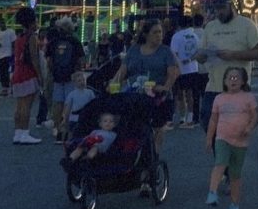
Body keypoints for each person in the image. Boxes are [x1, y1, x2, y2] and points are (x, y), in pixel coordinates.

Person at [195, 0, 258, 133]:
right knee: (209, 126)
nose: (219, 12)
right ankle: (219, 153)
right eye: (216, 8)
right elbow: (203, 51)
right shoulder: (210, 27)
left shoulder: (247, 25)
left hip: (237, 88)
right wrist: (201, 56)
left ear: (232, 6)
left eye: (223, 8)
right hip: (213, 87)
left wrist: (233, 55)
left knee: (234, 132)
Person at [112, 19, 179, 154]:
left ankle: (154, 156)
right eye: (155, 32)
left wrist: (165, 87)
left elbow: (174, 72)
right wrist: (113, 84)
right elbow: (122, 71)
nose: (159, 35)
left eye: (160, 32)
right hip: (134, 94)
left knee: (157, 127)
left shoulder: (165, 51)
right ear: (146, 35)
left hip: (157, 95)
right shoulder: (134, 50)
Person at [205, 66, 258, 209]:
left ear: (243, 81)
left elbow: (255, 115)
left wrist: (249, 127)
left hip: (240, 141)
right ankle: (212, 192)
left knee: (235, 175)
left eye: (236, 77)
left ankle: (234, 205)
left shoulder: (248, 98)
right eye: (230, 77)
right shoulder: (219, 98)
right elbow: (213, 119)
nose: (233, 80)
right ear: (225, 81)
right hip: (223, 138)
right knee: (220, 163)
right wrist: (209, 138)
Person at [46, 17, 84, 141]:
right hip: (71, 76)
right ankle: (66, 129)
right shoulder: (74, 41)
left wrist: (52, 72)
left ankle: (56, 128)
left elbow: (49, 61)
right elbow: (80, 60)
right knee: (70, 103)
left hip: (57, 76)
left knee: (58, 103)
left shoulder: (53, 42)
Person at [10, 7, 42, 145]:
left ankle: (17, 133)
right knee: (27, 106)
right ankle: (25, 132)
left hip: (17, 72)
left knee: (19, 106)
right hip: (28, 73)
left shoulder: (19, 37)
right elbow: (34, 59)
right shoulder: (32, 37)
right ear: (32, 22)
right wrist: (40, 76)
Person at [170, 15, 202, 129]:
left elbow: (173, 53)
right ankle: (190, 117)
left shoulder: (176, 36)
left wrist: (178, 64)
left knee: (179, 94)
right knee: (190, 94)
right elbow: (199, 52)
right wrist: (189, 59)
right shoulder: (195, 36)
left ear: (179, 24)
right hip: (193, 68)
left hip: (179, 69)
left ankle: (182, 117)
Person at [61, 70, 96, 143]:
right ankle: (69, 143)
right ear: (74, 83)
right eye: (79, 81)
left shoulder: (90, 92)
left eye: (84, 80)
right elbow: (68, 108)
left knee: (87, 132)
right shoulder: (72, 94)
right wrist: (65, 119)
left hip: (86, 116)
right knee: (72, 132)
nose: (82, 82)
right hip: (74, 118)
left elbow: (94, 104)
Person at [0, 20, 16, 96]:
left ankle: (8, 88)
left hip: (8, 54)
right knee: (2, 72)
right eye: (0, 24)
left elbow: (14, 43)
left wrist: (14, 53)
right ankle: (5, 88)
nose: (2, 25)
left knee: (7, 71)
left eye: (3, 23)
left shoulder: (10, 32)